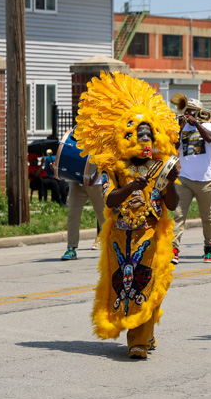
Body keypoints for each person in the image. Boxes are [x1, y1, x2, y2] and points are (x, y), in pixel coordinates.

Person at [74, 71, 180, 359]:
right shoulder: (115, 168)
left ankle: (139, 341)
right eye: (138, 135)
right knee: (126, 285)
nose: (144, 140)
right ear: (127, 136)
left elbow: (172, 204)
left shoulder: (162, 166)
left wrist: (170, 181)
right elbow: (109, 199)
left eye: (149, 134)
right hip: (121, 236)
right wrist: (132, 186)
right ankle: (144, 333)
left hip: (150, 234)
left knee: (147, 282)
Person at [173, 99, 211, 263]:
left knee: (206, 217)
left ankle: (209, 248)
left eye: (192, 111)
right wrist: (179, 128)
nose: (188, 114)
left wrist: (197, 124)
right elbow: (174, 147)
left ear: (199, 112)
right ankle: (174, 250)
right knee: (178, 216)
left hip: (204, 180)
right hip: (184, 178)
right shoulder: (183, 127)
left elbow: (209, 139)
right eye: (187, 110)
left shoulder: (210, 126)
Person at [61, 177, 106, 260]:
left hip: (96, 182)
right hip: (76, 181)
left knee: (103, 215)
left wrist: (94, 176)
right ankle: (71, 248)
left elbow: (101, 164)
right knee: (73, 214)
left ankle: (112, 247)